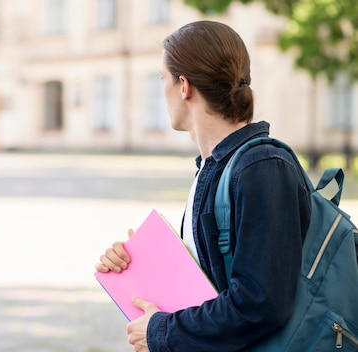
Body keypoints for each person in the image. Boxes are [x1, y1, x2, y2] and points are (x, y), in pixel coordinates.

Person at [95, 21, 311, 352]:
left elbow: (260, 304)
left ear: (184, 86)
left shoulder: (262, 168)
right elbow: (209, 286)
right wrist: (140, 265)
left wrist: (163, 331)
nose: (162, 90)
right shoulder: (213, 168)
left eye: (162, 80)